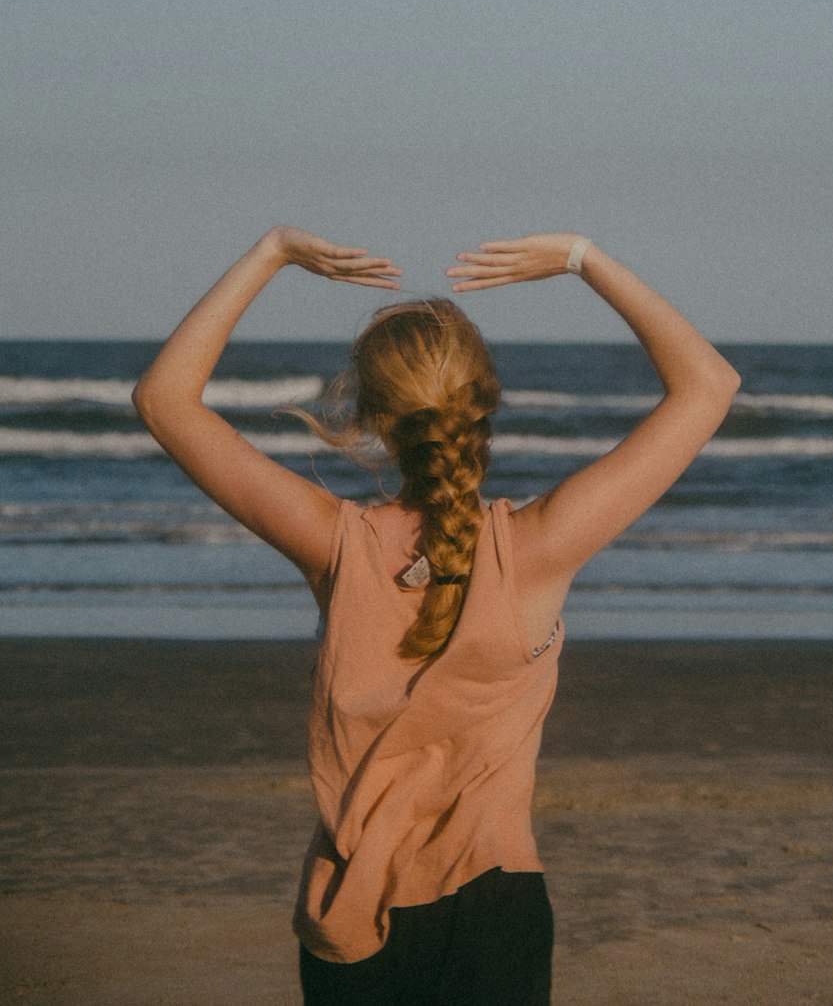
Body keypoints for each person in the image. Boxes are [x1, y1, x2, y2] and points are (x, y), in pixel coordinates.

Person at [132, 226, 740, 1005]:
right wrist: (582, 259)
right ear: (486, 406)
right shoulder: (541, 547)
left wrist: (271, 253)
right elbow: (708, 385)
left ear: (372, 415)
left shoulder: (335, 544)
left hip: (353, 918)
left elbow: (163, 400)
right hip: (495, 909)